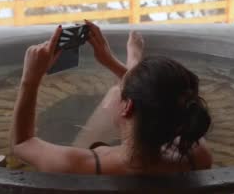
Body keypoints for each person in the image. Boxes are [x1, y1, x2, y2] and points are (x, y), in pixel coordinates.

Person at [11, 21, 212, 175]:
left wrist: (30, 78)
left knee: (113, 94)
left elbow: (22, 142)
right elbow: (158, 100)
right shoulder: (198, 157)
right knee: (117, 93)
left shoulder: (81, 166)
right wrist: (113, 61)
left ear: (127, 108)